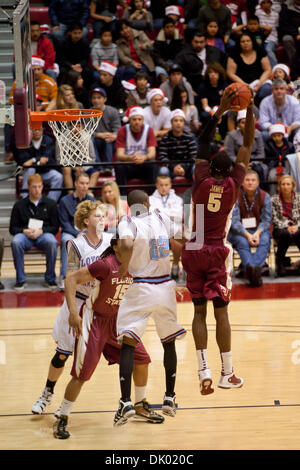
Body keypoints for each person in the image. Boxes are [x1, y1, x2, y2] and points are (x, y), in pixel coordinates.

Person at [181, 85, 255, 395]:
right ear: (231, 173)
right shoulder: (233, 186)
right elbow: (247, 145)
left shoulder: (200, 177)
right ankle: (227, 372)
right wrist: (248, 109)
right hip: (213, 251)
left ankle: (203, 370)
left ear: (209, 168)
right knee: (221, 311)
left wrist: (222, 109)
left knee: (198, 311)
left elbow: (202, 140)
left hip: (192, 249)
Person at [53, 234, 164, 438]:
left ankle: (140, 405)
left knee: (142, 359)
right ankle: (62, 416)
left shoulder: (137, 266)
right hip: (93, 320)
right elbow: (71, 278)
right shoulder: (105, 265)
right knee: (82, 373)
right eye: (127, 246)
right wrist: (71, 312)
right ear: (115, 247)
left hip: (118, 321)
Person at [114, 189, 187, 425]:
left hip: (141, 287)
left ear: (131, 206)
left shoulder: (128, 221)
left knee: (128, 343)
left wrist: (124, 265)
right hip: (165, 286)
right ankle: (169, 397)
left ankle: (126, 401)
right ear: (147, 202)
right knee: (168, 343)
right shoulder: (160, 216)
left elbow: (125, 243)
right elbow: (183, 236)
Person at [30, 201, 110, 415]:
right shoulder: (76, 244)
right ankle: (47, 393)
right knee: (63, 354)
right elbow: (70, 280)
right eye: (97, 216)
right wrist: (73, 312)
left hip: (100, 306)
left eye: (103, 215)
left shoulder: (112, 242)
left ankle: (129, 401)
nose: (102, 219)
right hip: (78, 301)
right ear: (86, 220)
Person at [9, 173, 59, 291]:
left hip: (43, 235)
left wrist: (42, 231)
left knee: (52, 241)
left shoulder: (50, 204)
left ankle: (50, 279)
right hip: (25, 236)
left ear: (42, 187)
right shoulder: (19, 205)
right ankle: (20, 280)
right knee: (16, 242)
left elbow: (55, 227)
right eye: (34, 187)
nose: (37, 190)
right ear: (29, 187)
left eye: (39, 186)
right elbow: (12, 228)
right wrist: (24, 231)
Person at [228, 170, 272, 286]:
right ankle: (255, 272)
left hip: (259, 230)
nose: (250, 183)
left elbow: (266, 220)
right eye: (247, 180)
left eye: (253, 180)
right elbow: (234, 221)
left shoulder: (265, 196)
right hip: (239, 231)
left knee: (265, 240)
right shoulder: (235, 196)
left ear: (257, 183)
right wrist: (247, 235)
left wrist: (257, 233)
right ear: (242, 182)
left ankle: (250, 269)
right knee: (242, 242)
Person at [58, 172, 95, 289]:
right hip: (70, 232)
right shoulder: (65, 201)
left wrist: (84, 234)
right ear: (75, 184)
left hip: (87, 233)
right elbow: (64, 223)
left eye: (87, 183)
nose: (84, 186)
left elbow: (94, 222)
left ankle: (92, 276)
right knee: (66, 240)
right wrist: (76, 234)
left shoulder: (91, 201)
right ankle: (64, 277)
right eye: (82, 183)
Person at [115, 105, 157, 195]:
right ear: (129, 120)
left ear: (143, 120)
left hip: (143, 164)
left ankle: (152, 197)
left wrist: (143, 157)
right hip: (129, 165)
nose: (137, 122)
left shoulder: (149, 130)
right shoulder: (122, 130)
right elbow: (119, 154)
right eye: (134, 119)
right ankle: (123, 197)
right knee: (119, 166)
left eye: (139, 119)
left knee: (153, 164)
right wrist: (132, 157)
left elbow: (152, 153)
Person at [149, 175, 184, 281]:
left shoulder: (178, 199)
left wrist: (161, 212)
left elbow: (178, 215)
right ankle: (159, 270)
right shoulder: (150, 199)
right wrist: (169, 214)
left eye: (166, 185)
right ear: (156, 185)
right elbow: (152, 215)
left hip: (173, 231)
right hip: (157, 231)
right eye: (161, 185)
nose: (164, 187)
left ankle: (175, 266)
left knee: (177, 242)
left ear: (170, 185)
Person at [15, 127, 63, 202]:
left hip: (45, 171)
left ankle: (50, 202)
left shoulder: (48, 140)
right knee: (31, 169)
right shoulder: (25, 141)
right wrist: (37, 160)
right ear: (30, 130)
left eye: (39, 129)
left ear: (43, 130)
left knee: (58, 177)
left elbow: (46, 159)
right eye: (34, 129)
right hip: (30, 173)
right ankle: (24, 199)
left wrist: (32, 160)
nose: (37, 132)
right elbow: (24, 163)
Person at [226, 33, 272, 105]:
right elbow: (230, 73)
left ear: (252, 42)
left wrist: (260, 83)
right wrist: (244, 85)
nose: (245, 43)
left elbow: (267, 69)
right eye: (243, 41)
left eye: (248, 41)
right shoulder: (234, 53)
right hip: (241, 84)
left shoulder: (260, 51)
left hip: (258, 82)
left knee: (266, 89)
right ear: (239, 43)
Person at [224, 108, 266, 181]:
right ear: (238, 125)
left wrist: (251, 163)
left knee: (259, 169)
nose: (246, 125)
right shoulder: (232, 135)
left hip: (254, 162)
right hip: (237, 162)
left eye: (248, 122)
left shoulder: (258, 134)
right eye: (243, 122)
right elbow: (229, 154)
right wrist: (241, 163)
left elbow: (261, 154)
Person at [271, 174, 300, 276]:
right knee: (285, 234)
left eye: (288, 184)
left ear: (293, 186)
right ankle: (280, 262)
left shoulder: (299, 198)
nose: (285, 186)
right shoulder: (274, 199)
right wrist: (286, 227)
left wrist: (297, 226)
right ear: (279, 186)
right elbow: (273, 218)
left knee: (298, 234)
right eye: (283, 184)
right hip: (280, 228)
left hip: (297, 226)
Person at [158, 109, 197, 180]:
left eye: (181, 121)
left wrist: (183, 167)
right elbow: (162, 157)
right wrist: (173, 167)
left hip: (187, 166)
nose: (178, 123)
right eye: (175, 120)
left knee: (196, 169)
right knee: (163, 170)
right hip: (170, 167)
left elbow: (194, 157)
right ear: (171, 123)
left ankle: (195, 191)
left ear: (184, 123)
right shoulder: (165, 138)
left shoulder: (189, 137)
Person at [91, 87, 121, 167]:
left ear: (105, 99)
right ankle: (98, 166)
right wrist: (99, 135)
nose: (96, 100)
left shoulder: (112, 111)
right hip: (96, 139)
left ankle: (108, 167)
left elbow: (117, 128)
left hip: (110, 139)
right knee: (90, 139)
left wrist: (114, 135)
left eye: (99, 98)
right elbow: (86, 131)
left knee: (109, 140)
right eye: (94, 98)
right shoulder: (88, 113)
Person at [197, 62, 227, 131]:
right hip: (209, 110)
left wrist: (220, 113)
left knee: (228, 115)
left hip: (221, 109)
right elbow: (205, 106)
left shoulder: (224, 86)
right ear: (208, 74)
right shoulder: (203, 86)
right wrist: (215, 114)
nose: (213, 74)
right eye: (210, 72)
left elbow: (226, 104)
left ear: (219, 74)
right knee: (205, 115)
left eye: (215, 72)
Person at [265, 123, 294, 194]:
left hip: (286, 167)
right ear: (271, 136)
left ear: (283, 135)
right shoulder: (268, 146)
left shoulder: (290, 146)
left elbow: (292, 159)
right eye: (274, 136)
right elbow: (266, 160)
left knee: (287, 178)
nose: (277, 138)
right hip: (273, 167)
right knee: (271, 177)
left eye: (279, 135)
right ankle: (273, 196)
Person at [152, 17, 184, 83]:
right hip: (162, 64)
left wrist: (174, 66)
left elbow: (181, 55)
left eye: (172, 26)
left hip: (176, 64)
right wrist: (165, 66)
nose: (170, 29)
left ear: (174, 27)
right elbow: (157, 57)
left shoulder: (180, 39)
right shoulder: (158, 40)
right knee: (161, 75)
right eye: (167, 27)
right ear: (163, 29)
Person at [278, 0, 300, 78]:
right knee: (286, 39)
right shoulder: (286, 7)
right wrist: (296, 34)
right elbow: (284, 25)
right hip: (293, 34)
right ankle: (293, 65)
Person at [255, 0, 279, 67]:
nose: (266, 4)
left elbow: (276, 26)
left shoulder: (276, 14)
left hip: (272, 38)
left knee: (268, 49)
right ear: (261, 5)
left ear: (271, 4)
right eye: (264, 3)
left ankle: (276, 68)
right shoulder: (258, 13)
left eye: (268, 2)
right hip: (261, 37)